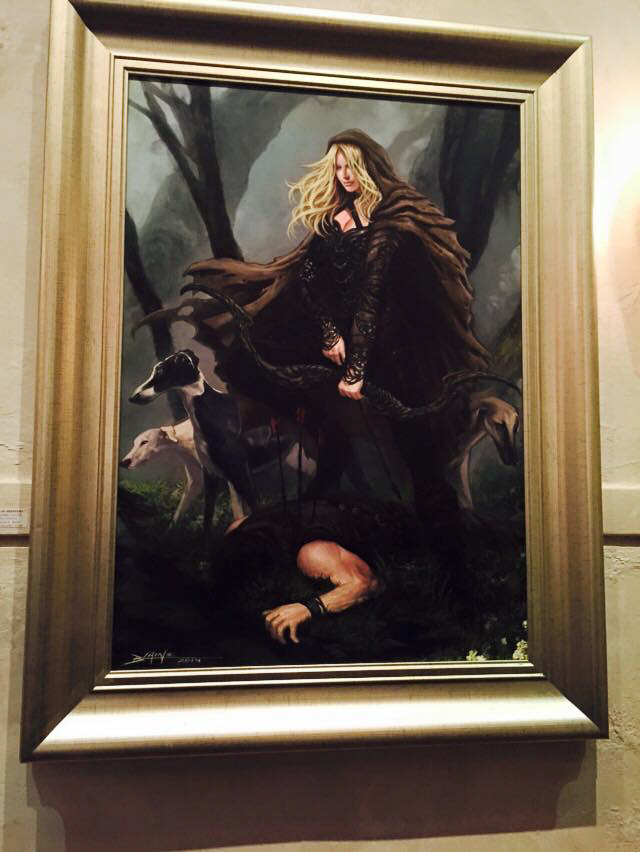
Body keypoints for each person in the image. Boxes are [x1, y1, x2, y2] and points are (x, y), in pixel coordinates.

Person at [144, 129, 491, 644]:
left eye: (351, 166)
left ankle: (459, 597)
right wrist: (330, 336)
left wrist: (357, 371)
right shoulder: (333, 220)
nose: (343, 176)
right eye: (337, 167)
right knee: (263, 370)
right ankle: (340, 521)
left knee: (426, 472)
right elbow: (307, 280)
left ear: (370, 168)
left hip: (397, 360)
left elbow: (373, 301)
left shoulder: (390, 229)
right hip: (344, 347)